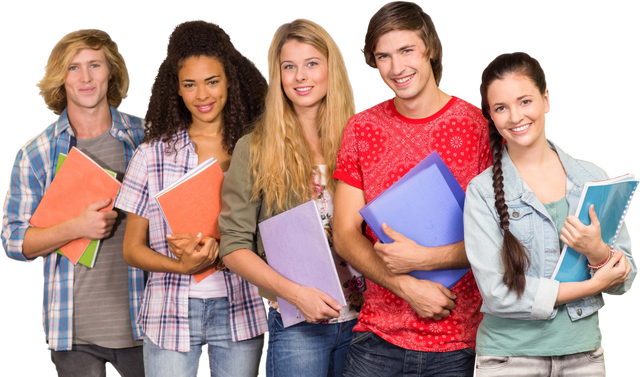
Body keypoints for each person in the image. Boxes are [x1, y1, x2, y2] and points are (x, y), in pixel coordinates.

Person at [331, 1, 492, 376]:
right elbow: (344, 234)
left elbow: (501, 238)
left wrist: (425, 260)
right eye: (383, 56)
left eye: (406, 51)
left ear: (431, 49)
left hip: (461, 342)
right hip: (377, 340)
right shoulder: (361, 128)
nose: (396, 68)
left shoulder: (478, 124)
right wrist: (407, 286)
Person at [463, 49, 638, 376]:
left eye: (525, 101)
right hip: (508, 359)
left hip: (584, 355)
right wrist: (590, 285)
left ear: (548, 101)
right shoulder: (482, 192)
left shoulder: (595, 177)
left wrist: (598, 252)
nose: (515, 117)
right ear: (491, 115)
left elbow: (625, 281)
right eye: (501, 108)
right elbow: (498, 294)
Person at [113, 18, 268, 376]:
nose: (203, 95)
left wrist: (222, 247)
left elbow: (272, 232)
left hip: (241, 309)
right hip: (169, 312)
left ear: (230, 80)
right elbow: (132, 249)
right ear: (176, 90)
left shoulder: (258, 151)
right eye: (190, 85)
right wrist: (181, 266)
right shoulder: (151, 156)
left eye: (212, 82)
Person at [217, 14, 360, 377]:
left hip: (367, 323)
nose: (300, 77)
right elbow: (233, 248)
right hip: (298, 325)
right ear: (277, 76)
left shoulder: (361, 138)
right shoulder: (256, 149)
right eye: (289, 67)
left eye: (312, 64)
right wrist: (296, 294)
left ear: (331, 69)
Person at [1, 26, 145, 376]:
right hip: (73, 332)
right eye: (73, 67)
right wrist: (75, 227)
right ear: (59, 78)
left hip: (144, 323)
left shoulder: (144, 136)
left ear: (111, 71)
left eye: (95, 65)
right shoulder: (36, 152)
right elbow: (12, 242)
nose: (85, 78)